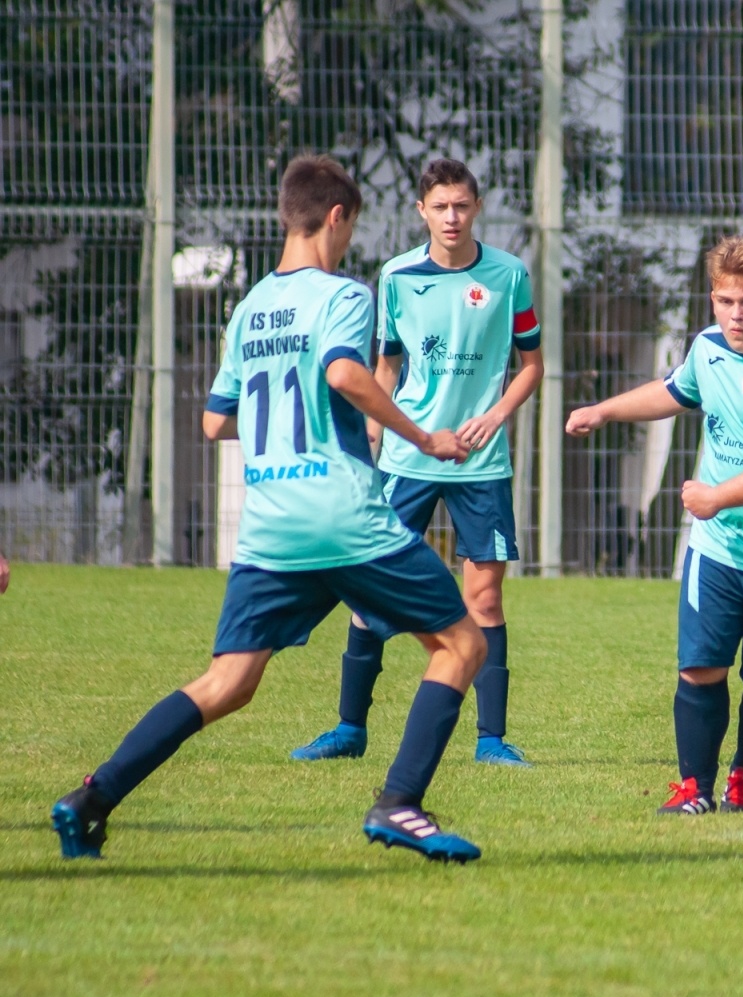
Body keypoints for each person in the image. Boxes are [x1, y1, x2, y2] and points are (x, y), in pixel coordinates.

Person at [50, 155, 488, 862]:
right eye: (351, 226)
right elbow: (345, 372)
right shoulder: (343, 295)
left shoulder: (250, 307)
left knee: (229, 682)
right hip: (341, 514)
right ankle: (400, 805)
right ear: (337, 217)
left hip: (270, 524)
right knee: (462, 643)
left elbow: (215, 422)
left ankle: (91, 798)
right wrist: (423, 437)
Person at [566, 235, 743, 814]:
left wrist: (716, 496)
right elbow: (674, 391)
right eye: (725, 300)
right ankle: (694, 789)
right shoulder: (708, 347)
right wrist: (603, 409)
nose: (736, 315)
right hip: (717, 548)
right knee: (699, 667)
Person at [289, 158, 542, 769]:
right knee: (369, 590)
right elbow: (388, 369)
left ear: (476, 207)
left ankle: (491, 740)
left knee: (484, 601)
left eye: (462, 205)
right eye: (440, 207)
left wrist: (497, 415)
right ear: (421, 212)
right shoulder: (397, 276)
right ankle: (350, 729)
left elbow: (532, 364)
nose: (452, 217)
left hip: (481, 464)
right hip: (409, 455)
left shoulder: (510, 276)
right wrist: (374, 433)